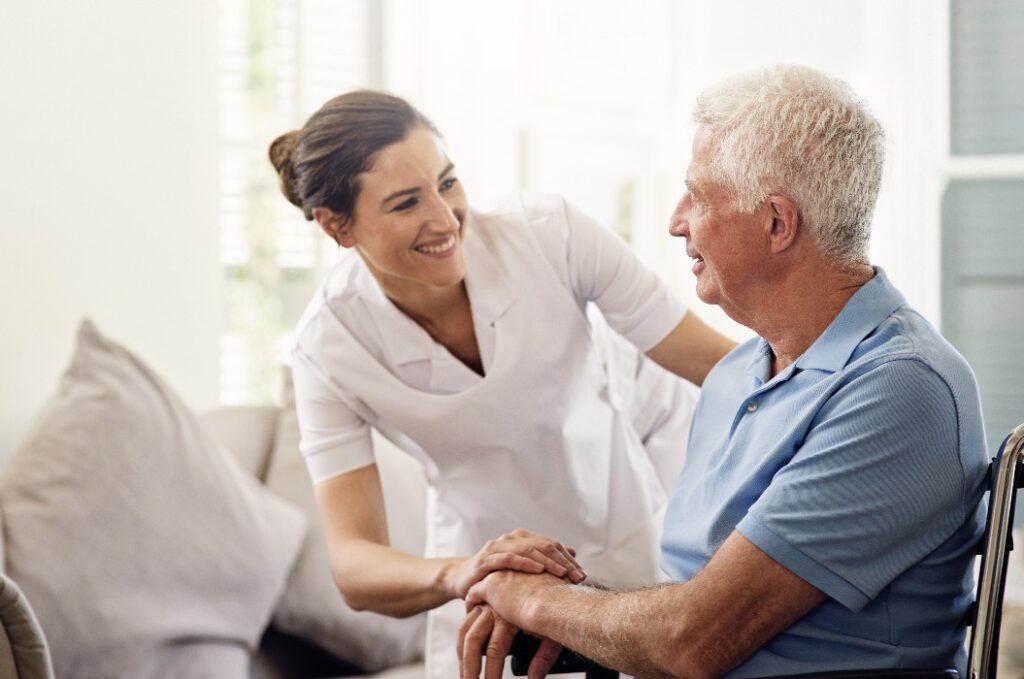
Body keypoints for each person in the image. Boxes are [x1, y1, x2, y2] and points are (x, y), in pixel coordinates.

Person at [459, 64, 989, 679]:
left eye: (700, 196)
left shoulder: (902, 388)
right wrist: (549, 606)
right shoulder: (735, 375)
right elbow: (693, 602)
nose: (676, 220)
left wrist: (534, 598)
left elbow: (695, 640)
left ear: (776, 223)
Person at [268, 90, 736, 679]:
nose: (444, 219)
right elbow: (353, 566)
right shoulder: (328, 347)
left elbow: (722, 366)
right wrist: (464, 572)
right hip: (492, 591)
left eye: (447, 183)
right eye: (406, 203)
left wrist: (840, 393)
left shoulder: (548, 234)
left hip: (627, 545)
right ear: (337, 226)